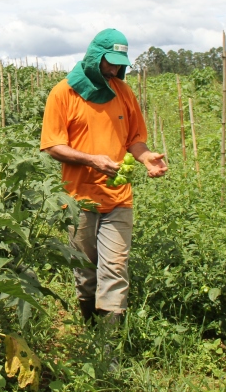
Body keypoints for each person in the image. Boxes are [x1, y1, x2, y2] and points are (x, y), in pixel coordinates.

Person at [40, 29, 167, 325]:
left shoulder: (122, 91)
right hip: (78, 200)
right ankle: (90, 329)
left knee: (115, 269)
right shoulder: (64, 93)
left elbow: (135, 138)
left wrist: (146, 157)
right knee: (85, 273)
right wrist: (91, 160)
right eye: (109, 62)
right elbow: (52, 145)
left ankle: (108, 349)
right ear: (94, 57)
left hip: (118, 198)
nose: (114, 69)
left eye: (119, 63)